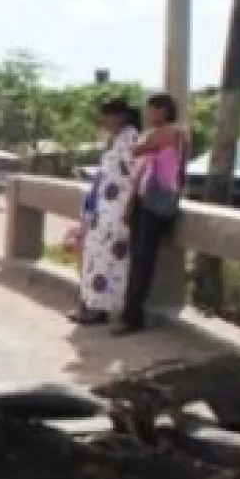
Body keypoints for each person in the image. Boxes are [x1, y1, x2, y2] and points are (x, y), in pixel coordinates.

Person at [115, 92, 187, 336]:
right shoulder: (158, 134)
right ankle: (130, 313)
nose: (148, 114)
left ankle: (133, 317)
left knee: (143, 261)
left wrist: (144, 144)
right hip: (143, 201)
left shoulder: (171, 132)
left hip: (156, 204)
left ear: (163, 111)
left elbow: (137, 150)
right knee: (137, 259)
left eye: (152, 110)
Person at [69, 97, 141, 325]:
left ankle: (103, 309)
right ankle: (92, 306)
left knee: (110, 261)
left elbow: (136, 174)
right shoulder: (114, 139)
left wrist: (130, 205)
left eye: (107, 116)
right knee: (95, 257)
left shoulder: (131, 138)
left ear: (120, 116)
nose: (103, 121)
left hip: (117, 211)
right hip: (103, 209)